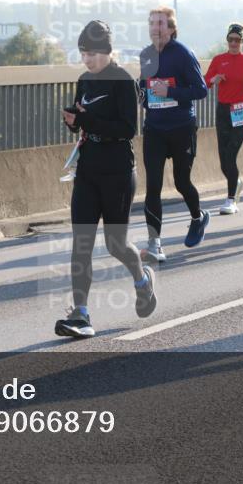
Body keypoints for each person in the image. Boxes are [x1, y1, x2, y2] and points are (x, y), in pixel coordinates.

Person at [55, 21, 156, 338]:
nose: (87, 59)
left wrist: (86, 118)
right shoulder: (84, 80)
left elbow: (127, 129)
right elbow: (84, 123)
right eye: (83, 53)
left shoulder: (123, 81)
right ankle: (81, 315)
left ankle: (142, 279)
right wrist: (74, 121)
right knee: (81, 244)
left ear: (108, 52)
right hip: (88, 169)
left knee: (115, 244)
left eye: (93, 54)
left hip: (117, 170)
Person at [138, 6, 209, 262]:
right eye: (152, 24)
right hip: (155, 128)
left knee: (181, 182)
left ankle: (198, 217)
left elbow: (201, 90)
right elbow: (147, 94)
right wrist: (142, 94)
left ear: (171, 28)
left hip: (181, 127)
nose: (155, 28)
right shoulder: (145, 55)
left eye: (160, 24)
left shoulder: (183, 54)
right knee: (153, 186)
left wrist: (171, 93)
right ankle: (155, 243)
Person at [204, 22, 243, 215]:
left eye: (237, 40)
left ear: (242, 41)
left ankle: (231, 200)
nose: (234, 43)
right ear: (227, 40)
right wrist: (213, 79)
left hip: (240, 111)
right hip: (223, 111)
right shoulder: (219, 59)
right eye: (231, 39)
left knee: (230, 155)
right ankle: (236, 182)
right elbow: (205, 82)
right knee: (223, 160)